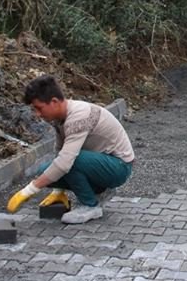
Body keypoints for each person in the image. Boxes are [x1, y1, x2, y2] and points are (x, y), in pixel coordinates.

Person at [7, 75, 135, 224]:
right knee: (44, 169)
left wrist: (29, 190)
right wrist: (58, 191)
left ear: (54, 102)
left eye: (39, 108)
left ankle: (90, 206)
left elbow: (66, 161)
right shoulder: (61, 119)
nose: (37, 114)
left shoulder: (79, 116)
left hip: (119, 166)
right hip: (101, 162)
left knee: (71, 161)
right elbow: (60, 152)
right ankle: (99, 191)